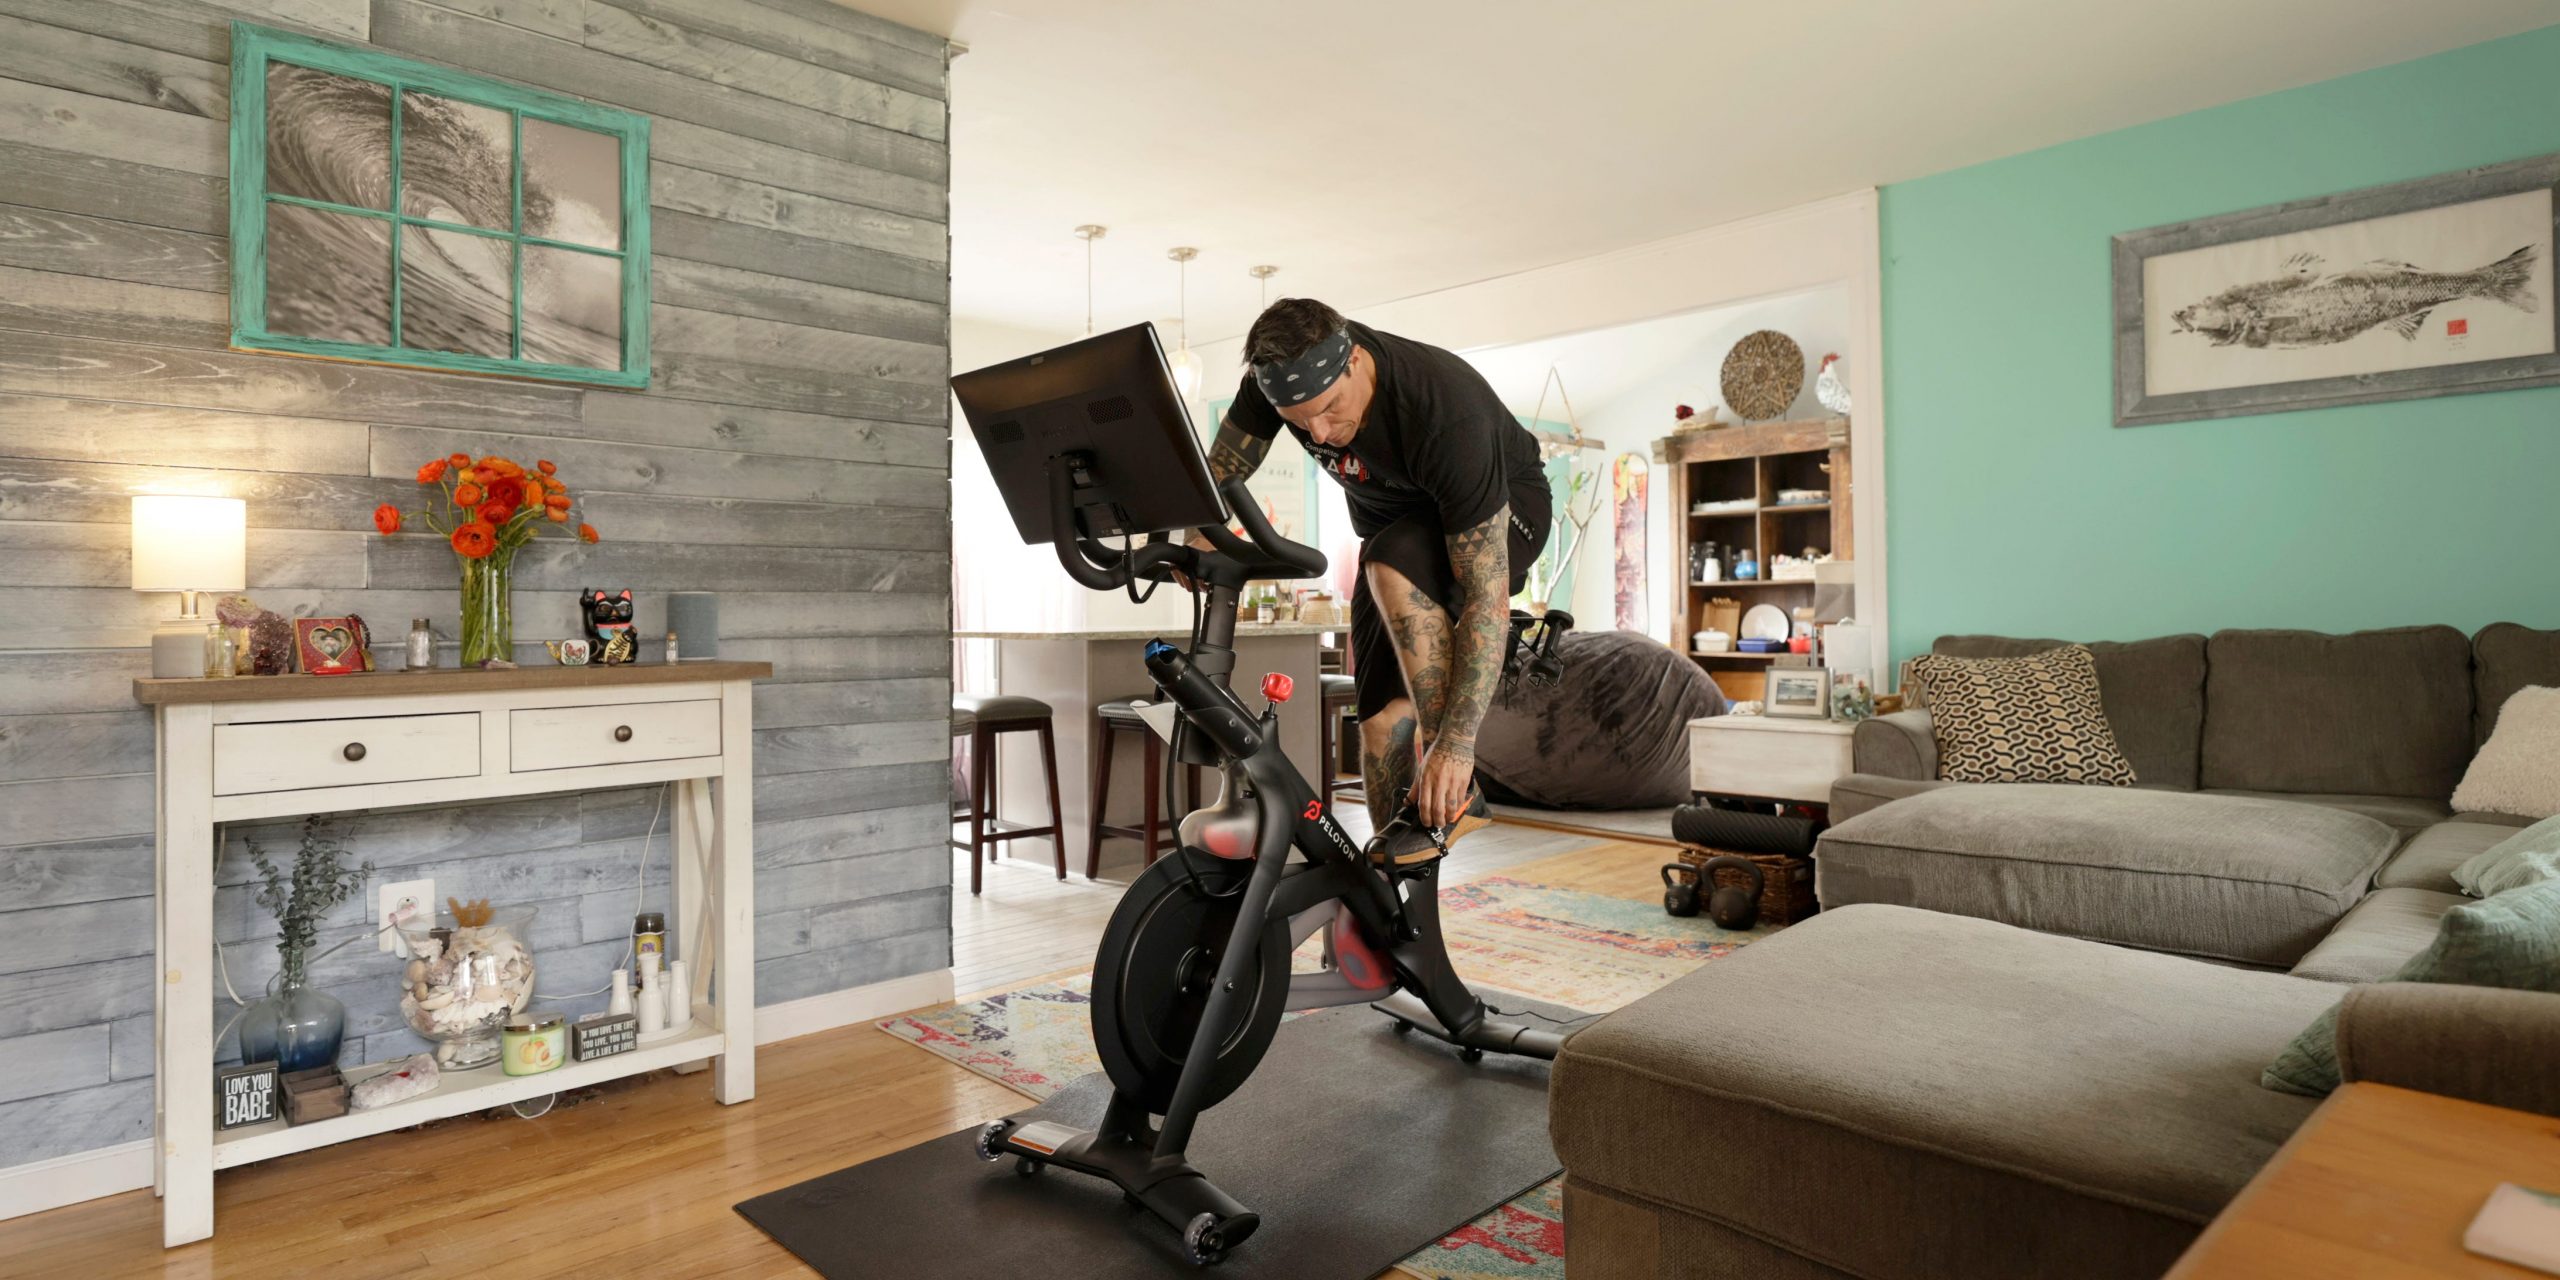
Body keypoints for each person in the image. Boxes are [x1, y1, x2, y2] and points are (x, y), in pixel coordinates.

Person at [1203, 298, 1551, 862]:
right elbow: (1220, 477)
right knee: (1378, 722)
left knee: (1390, 556)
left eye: (1331, 408)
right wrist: (1192, 538)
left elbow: (1487, 594)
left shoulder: (1443, 411)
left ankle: (1459, 797)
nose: (1320, 431)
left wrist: (1455, 748)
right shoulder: (1280, 384)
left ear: (1358, 362)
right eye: (1300, 422)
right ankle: (1398, 869)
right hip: (1391, 540)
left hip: (1509, 511)